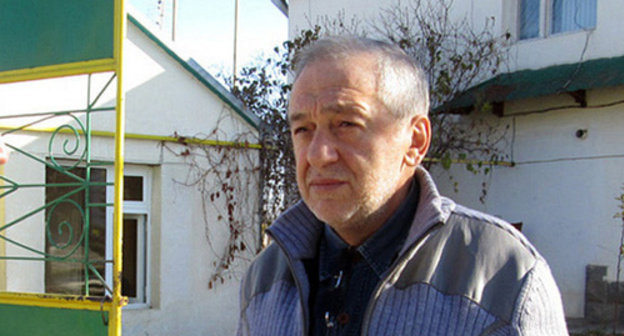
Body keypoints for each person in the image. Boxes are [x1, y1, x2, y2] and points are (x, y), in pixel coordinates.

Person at [237, 36, 568, 335]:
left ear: (415, 141)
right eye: (303, 129)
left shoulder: (505, 279)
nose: (318, 154)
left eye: (346, 124)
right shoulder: (265, 280)